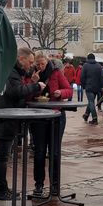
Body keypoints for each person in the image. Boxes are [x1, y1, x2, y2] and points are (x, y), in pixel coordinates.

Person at [0, 47, 44, 200]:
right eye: (29, 62)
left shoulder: (12, 70)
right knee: (2, 156)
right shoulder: (11, 72)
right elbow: (16, 91)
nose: (31, 65)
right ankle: (1, 191)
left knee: (4, 155)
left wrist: (31, 78)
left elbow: (20, 80)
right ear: (21, 59)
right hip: (5, 117)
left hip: (6, 117)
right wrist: (36, 86)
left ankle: (3, 188)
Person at [31, 53, 72, 196]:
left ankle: (55, 185)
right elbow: (26, 95)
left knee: (54, 152)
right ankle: (39, 184)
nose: (40, 67)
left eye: (42, 64)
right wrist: (34, 84)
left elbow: (69, 90)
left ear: (47, 62)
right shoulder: (32, 74)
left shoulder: (56, 73)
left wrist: (61, 92)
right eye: (38, 64)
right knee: (39, 152)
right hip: (38, 116)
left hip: (56, 116)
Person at [79, 53, 103, 125]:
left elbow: (82, 77)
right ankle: (86, 115)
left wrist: (84, 85)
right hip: (96, 87)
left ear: (88, 58)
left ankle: (94, 118)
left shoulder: (85, 65)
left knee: (91, 102)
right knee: (91, 101)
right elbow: (102, 77)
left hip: (89, 86)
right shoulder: (99, 66)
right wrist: (101, 86)